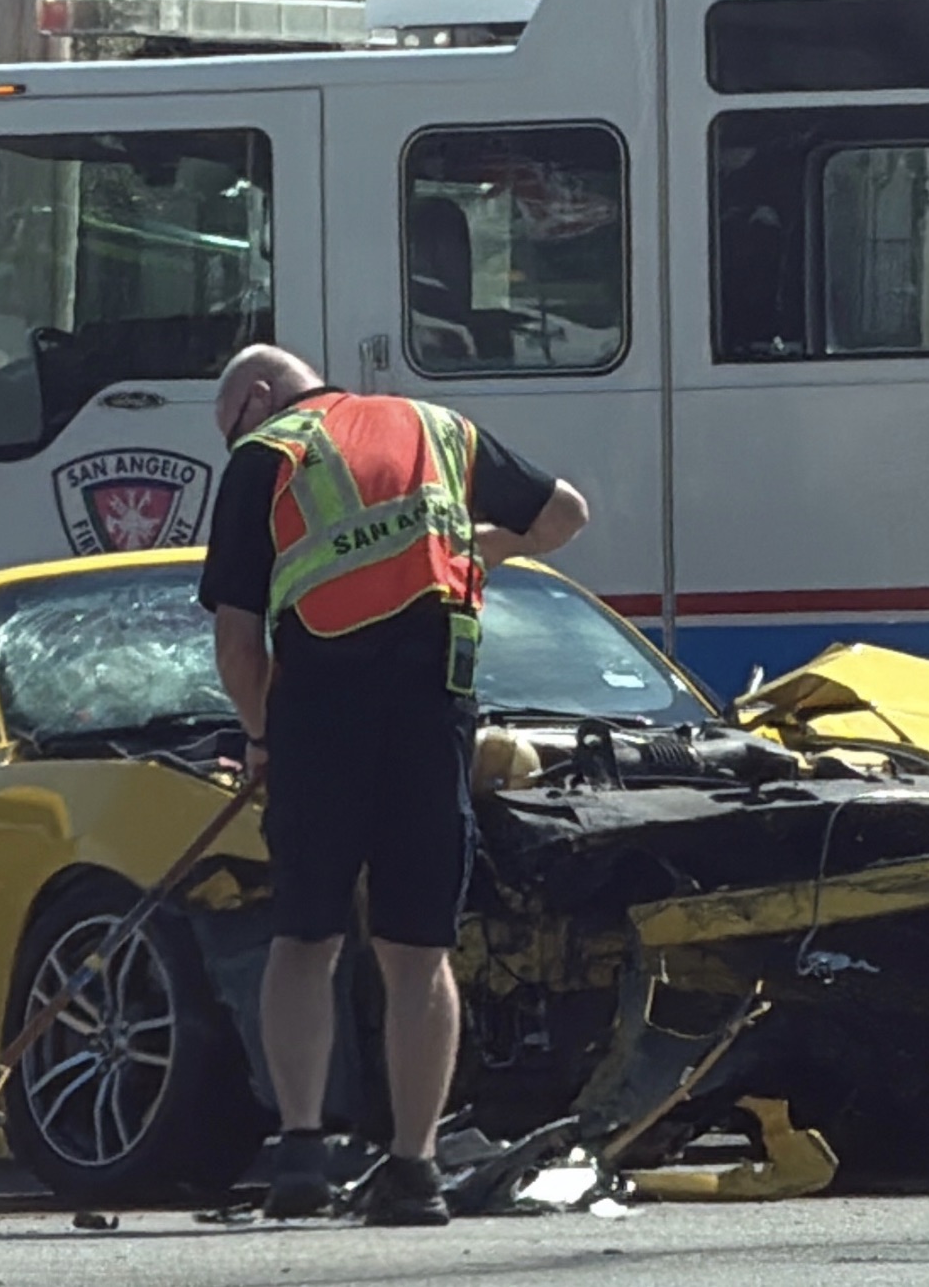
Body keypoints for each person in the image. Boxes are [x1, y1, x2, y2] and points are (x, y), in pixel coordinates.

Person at [200, 345, 588, 1225]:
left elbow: (236, 643)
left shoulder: (268, 456)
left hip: (317, 724)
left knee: (304, 938)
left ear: (256, 398)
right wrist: (466, 548)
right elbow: (565, 514)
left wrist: (260, 738)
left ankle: (301, 1154)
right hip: (431, 720)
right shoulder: (440, 429)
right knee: (419, 954)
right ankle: (415, 1171)